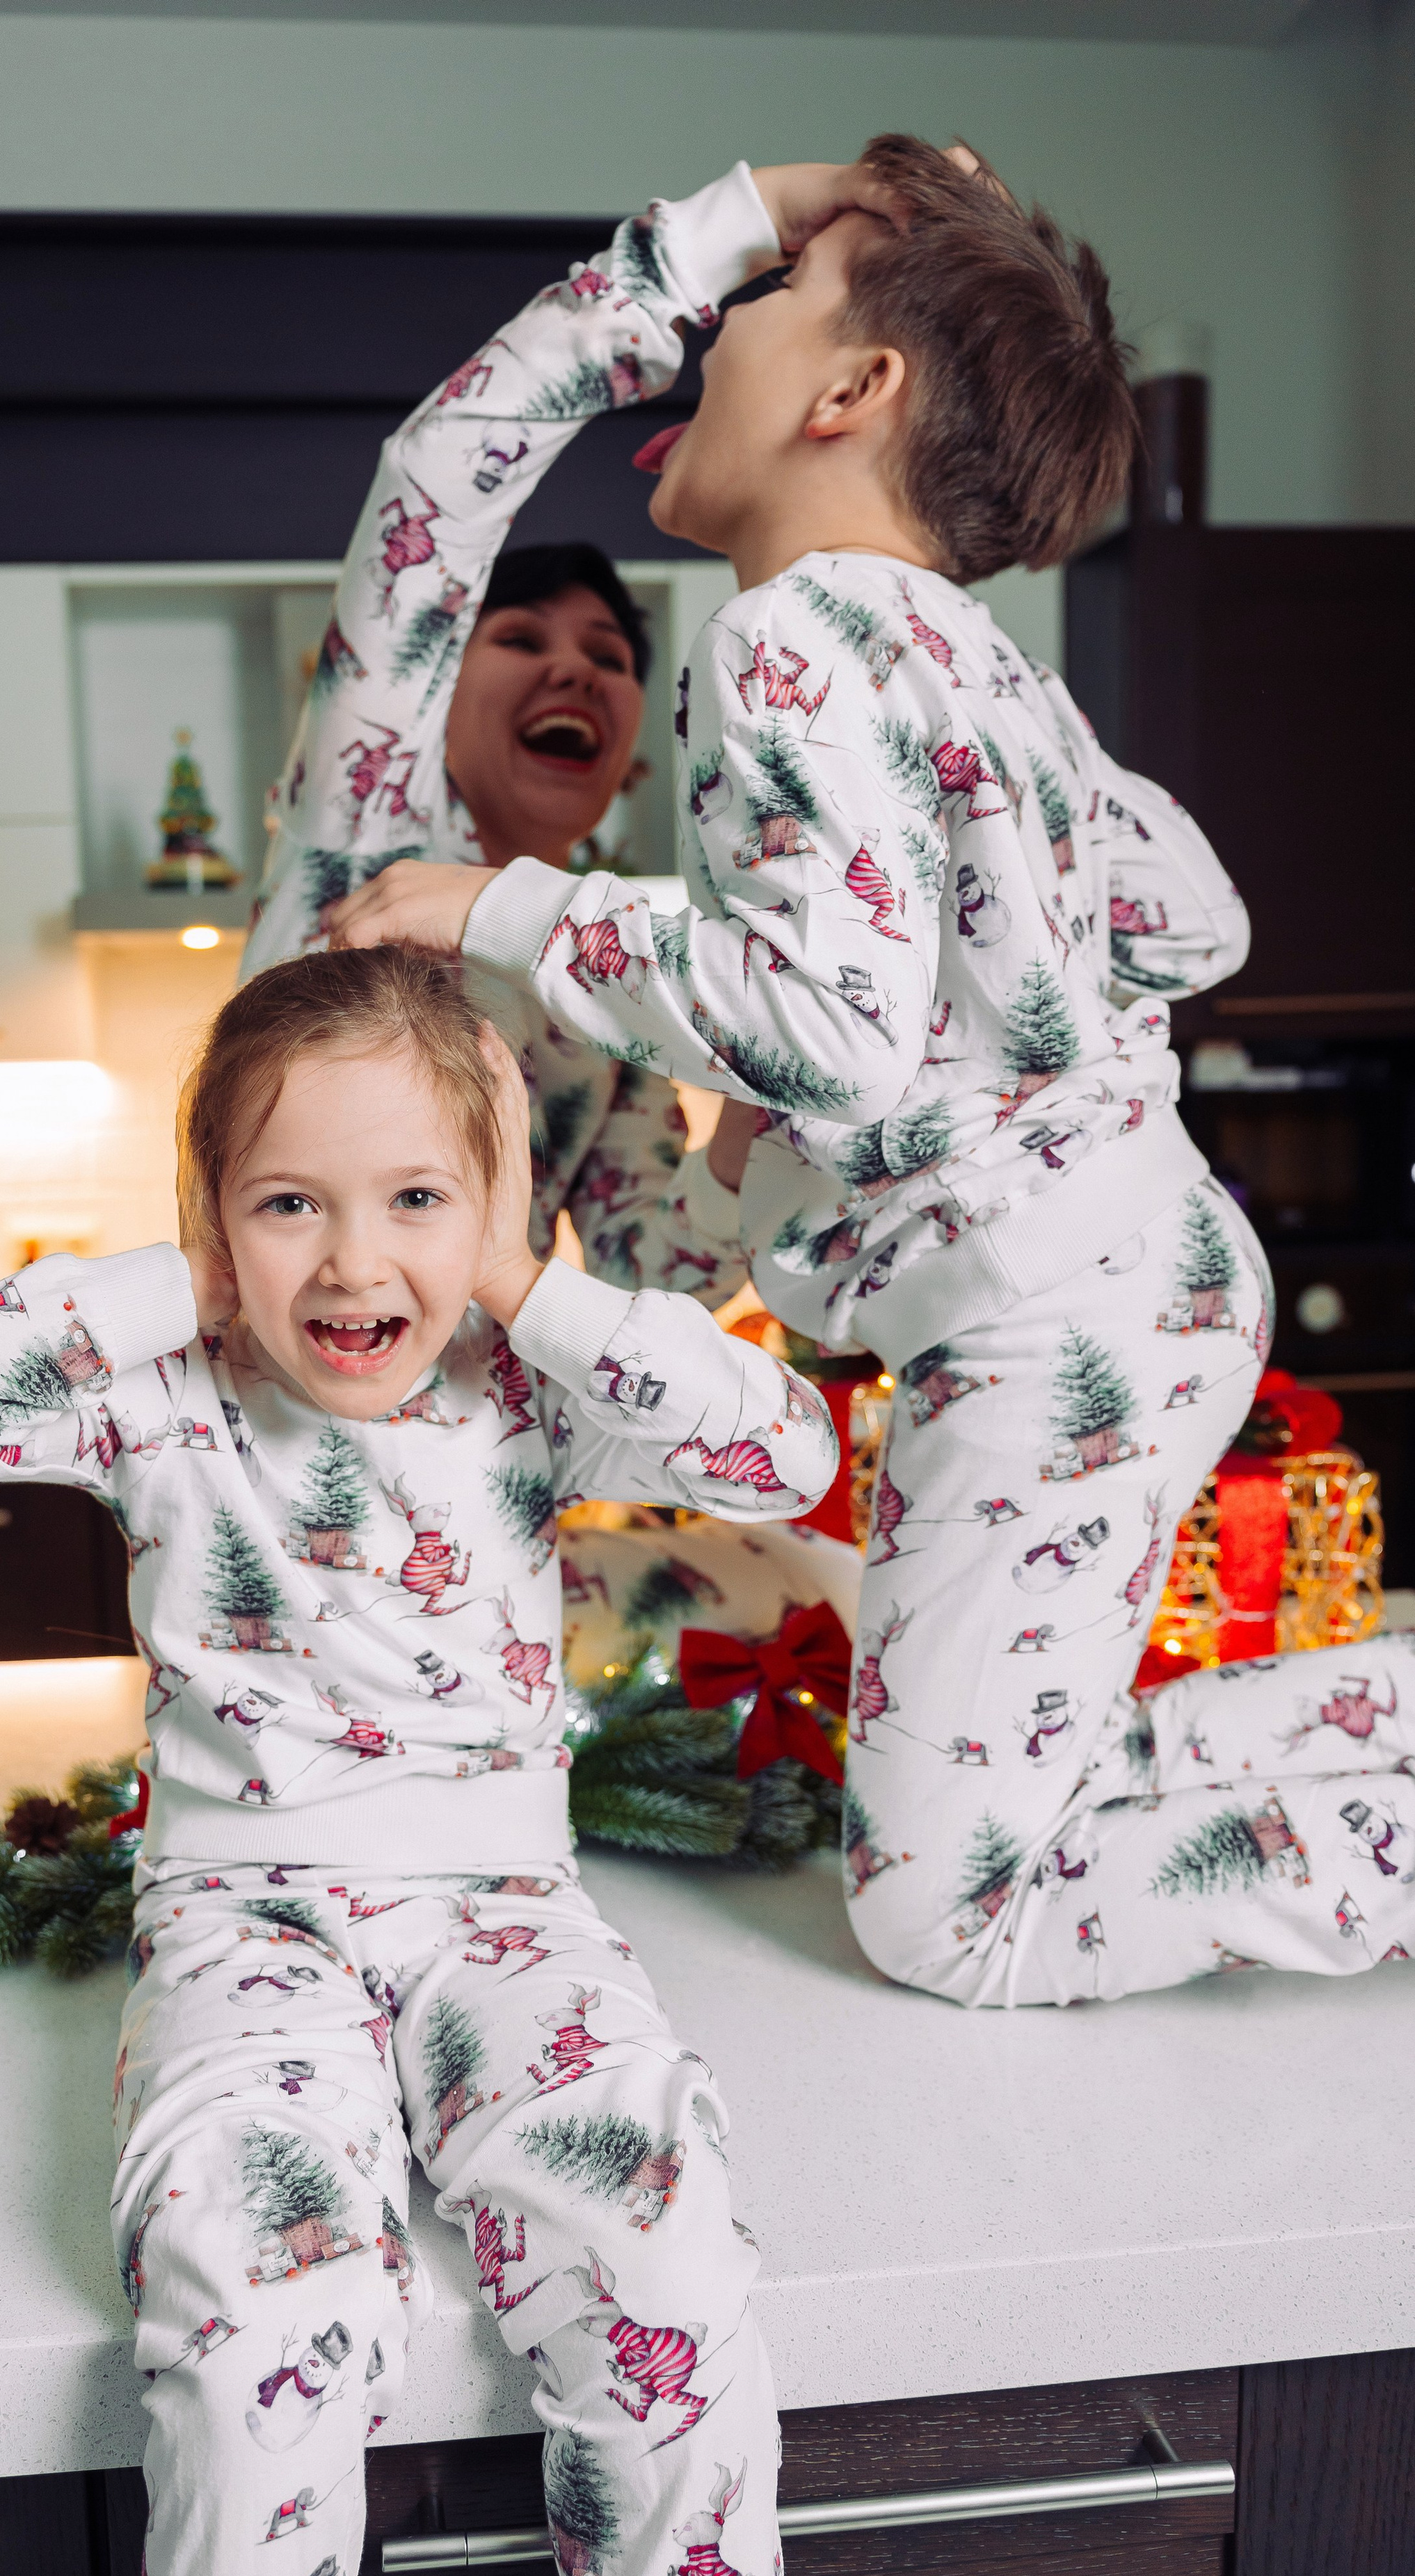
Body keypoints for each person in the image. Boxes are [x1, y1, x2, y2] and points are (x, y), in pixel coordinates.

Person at [327, 135, 1415, 2011]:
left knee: (953, 1917)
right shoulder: (976, 659)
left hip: (1038, 1318)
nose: (709, 345)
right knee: (1016, 1807)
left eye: (757, 309)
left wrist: (505, 910)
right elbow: (1190, 916)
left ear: (849, 392)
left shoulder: (784, 638)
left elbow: (817, 1020)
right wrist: (949, 1010)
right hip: (1131, 1276)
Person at [0, 941, 837, 2576]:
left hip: (506, 1919)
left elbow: (789, 1457)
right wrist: (184, 1279)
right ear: (214, 1213)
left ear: (491, 1213)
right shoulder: (164, 1397)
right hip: (245, 1923)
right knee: (254, 2315)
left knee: (665, 2268)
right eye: (289, 1202)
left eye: (415, 1201)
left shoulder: (526, 1386)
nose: (356, 1261)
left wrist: (530, 1283)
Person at [241, 158, 901, 1305]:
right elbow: (434, 491)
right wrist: (737, 228)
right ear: (427, 691)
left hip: (484, 1481)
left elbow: (663, 1264)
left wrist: (771, 1074)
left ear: (633, 757)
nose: (572, 669)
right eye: (522, 641)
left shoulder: (597, 977)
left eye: (608, 657)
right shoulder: (364, 827)